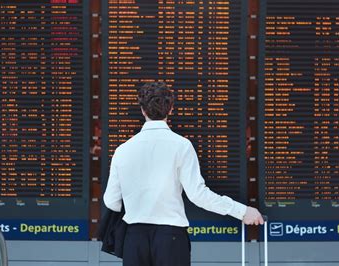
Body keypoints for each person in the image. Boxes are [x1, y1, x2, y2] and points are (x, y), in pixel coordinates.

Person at [103, 82, 264, 266]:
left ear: (142, 110)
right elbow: (198, 195)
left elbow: (111, 202)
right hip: (170, 238)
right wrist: (242, 211)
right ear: (170, 109)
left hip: (135, 239)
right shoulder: (181, 146)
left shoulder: (123, 150)